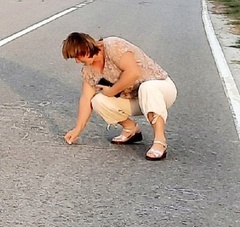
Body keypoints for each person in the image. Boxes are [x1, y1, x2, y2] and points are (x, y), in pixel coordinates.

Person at [61, 32, 177, 161]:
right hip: (135, 99)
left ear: (87, 49)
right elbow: (85, 99)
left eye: (77, 56)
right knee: (97, 101)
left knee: (147, 88)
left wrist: (111, 91)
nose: (77, 61)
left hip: (161, 90)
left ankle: (159, 140)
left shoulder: (113, 46)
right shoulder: (89, 71)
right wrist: (78, 129)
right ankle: (131, 129)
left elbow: (133, 73)